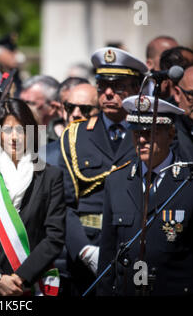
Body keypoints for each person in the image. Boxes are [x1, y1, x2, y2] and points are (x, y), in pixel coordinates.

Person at [97, 95, 193, 296]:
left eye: (150, 132)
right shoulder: (116, 181)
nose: (142, 139)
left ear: (171, 134)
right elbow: (107, 256)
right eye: (136, 132)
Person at [58, 47, 148, 295]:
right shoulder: (75, 135)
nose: (109, 93)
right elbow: (63, 204)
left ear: (137, 88)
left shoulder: (149, 135)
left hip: (134, 244)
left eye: (119, 86)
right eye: (103, 85)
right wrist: (84, 250)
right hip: (88, 245)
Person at [0, 98, 65, 296]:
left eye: (21, 129)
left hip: (31, 284)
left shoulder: (50, 176)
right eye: (7, 129)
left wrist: (21, 278)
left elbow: (55, 236)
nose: (14, 137)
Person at [19, 75, 62, 142]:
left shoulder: (62, 140)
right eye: (20, 102)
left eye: (29, 103)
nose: (20, 108)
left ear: (52, 107)